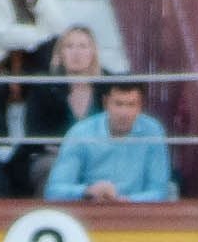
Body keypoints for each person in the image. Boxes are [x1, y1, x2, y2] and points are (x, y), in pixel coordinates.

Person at [43, 80, 175, 201]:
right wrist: (88, 191)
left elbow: (159, 191)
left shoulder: (153, 130)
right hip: (90, 210)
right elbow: (54, 190)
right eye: (118, 104)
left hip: (138, 215)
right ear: (106, 103)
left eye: (131, 105)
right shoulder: (81, 132)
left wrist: (128, 201)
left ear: (140, 106)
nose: (124, 112)